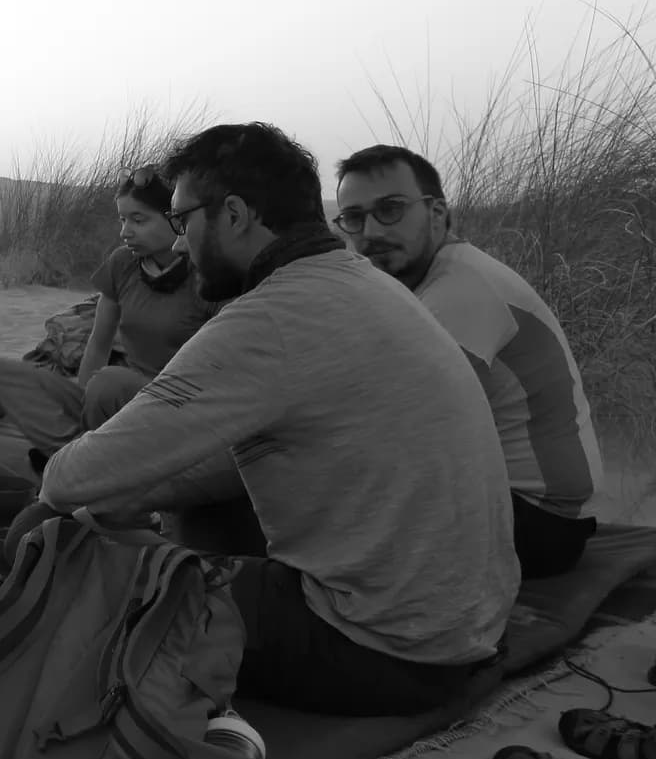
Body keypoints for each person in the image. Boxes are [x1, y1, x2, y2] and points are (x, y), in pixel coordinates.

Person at [29, 122, 519, 718]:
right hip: (464, 626)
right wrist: (142, 493)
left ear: (233, 214)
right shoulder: (361, 283)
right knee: (183, 504)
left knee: (50, 552)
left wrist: (88, 505)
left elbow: (67, 481)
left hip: (376, 647)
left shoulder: (272, 317)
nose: (179, 244)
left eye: (183, 221)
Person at [334, 144, 603, 578]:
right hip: (515, 506)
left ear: (437, 213)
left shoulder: (461, 292)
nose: (370, 231)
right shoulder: (428, 283)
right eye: (353, 217)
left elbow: (381, 426)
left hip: (538, 522)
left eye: (391, 209)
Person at [0, 165, 218, 456]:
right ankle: (76, 453)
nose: (125, 232)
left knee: (110, 383)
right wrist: (84, 401)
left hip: (169, 405)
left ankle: (76, 458)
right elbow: (99, 342)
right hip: (112, 399)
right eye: (122, 219)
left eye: (138, 220)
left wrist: (104, 393)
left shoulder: (206, 274)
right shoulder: (122, 264)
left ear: (174, 219)